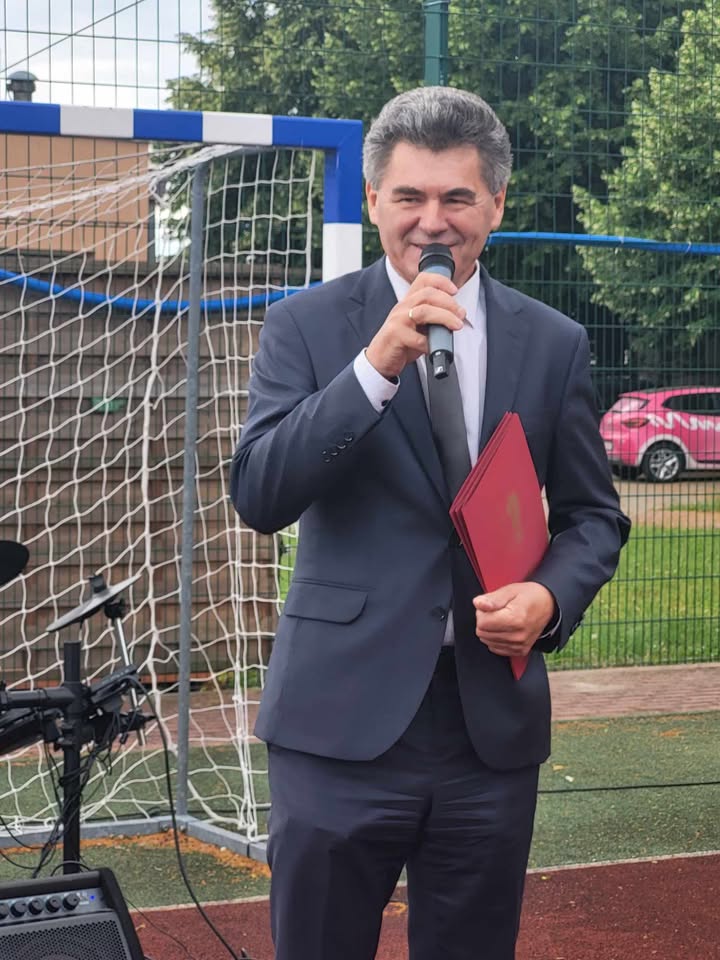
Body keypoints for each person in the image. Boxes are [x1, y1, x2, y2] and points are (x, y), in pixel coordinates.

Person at [231, 86, 630, 960]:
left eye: (457, 197)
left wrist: (549, 599)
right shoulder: (305, 326)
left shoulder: (553, 342)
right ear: (374, 199)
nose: (433, 221)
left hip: (488, 730)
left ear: (497, 204)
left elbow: (594, 517)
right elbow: (260, 494)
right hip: (338, 723)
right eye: (410, 196)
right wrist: (375, 365)